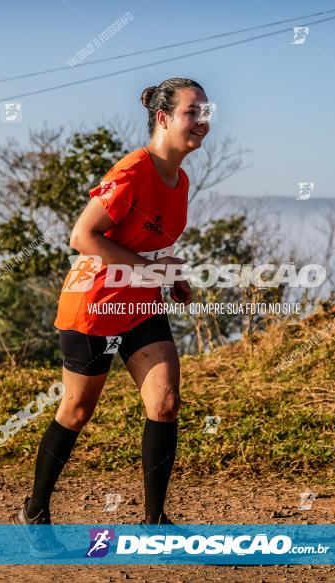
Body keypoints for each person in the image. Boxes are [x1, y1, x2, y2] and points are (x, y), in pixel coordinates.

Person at [11, 78, 209, 548]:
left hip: (139, 304)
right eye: (192, 112)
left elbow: (149, 239)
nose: (202, 121)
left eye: (206, 112)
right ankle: (34, 512)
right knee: (77, 411)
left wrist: (168, 273)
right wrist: (148, 270)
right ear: (162, 118)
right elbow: (83, 237)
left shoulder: (179, 179)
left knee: (164, 403)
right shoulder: (132, 173)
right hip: (94, 306)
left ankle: (154, 522)